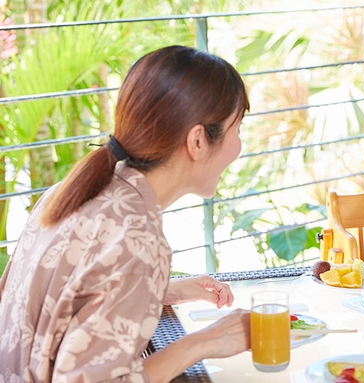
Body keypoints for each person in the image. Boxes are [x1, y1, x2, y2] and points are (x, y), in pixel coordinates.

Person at [0, 45, 251, 382]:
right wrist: (207, 341)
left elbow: (64, 302)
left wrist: (162, 290)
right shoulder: (137, 240)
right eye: (237, 130)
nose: (239, 147)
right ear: (198, 141)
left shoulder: (70, 192)